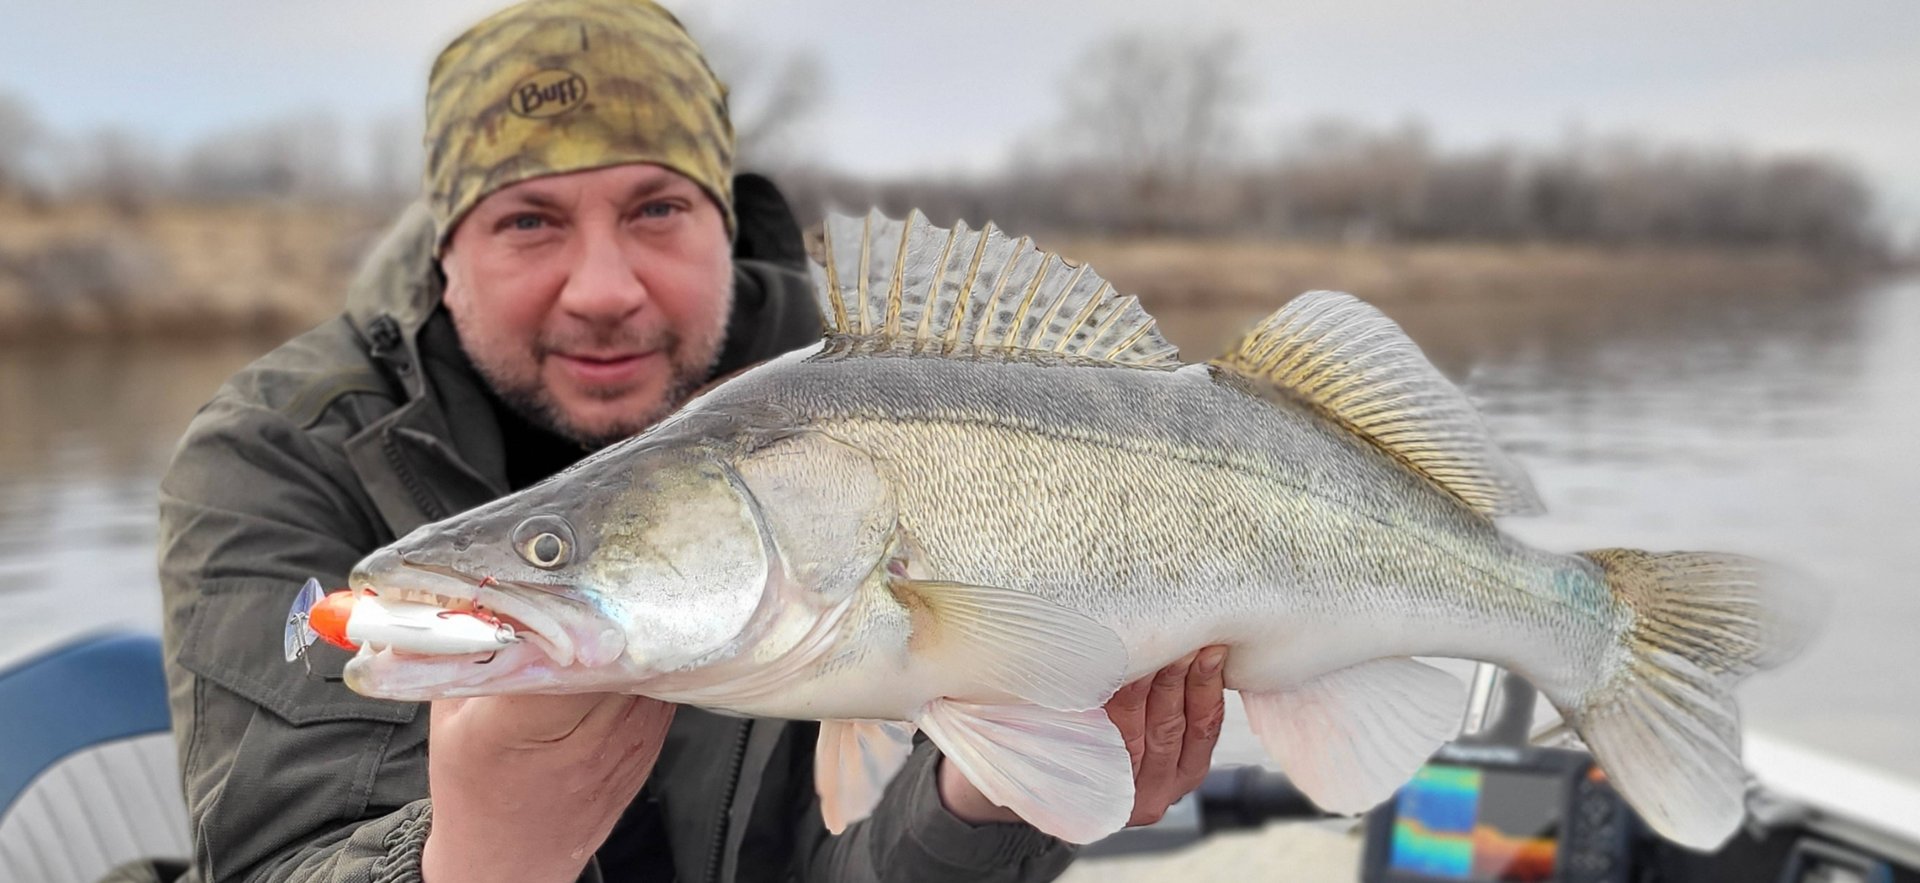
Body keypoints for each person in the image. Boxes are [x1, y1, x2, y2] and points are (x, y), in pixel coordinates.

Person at [142, 1, 1228, 881]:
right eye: (529, 221)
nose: (605, 289)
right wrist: (476, 863)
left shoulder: (879, 434)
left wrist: (994, 796)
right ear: (445, 258)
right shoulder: (278, 455)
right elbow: (273, 858)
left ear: (725, 223)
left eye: (657, 209)